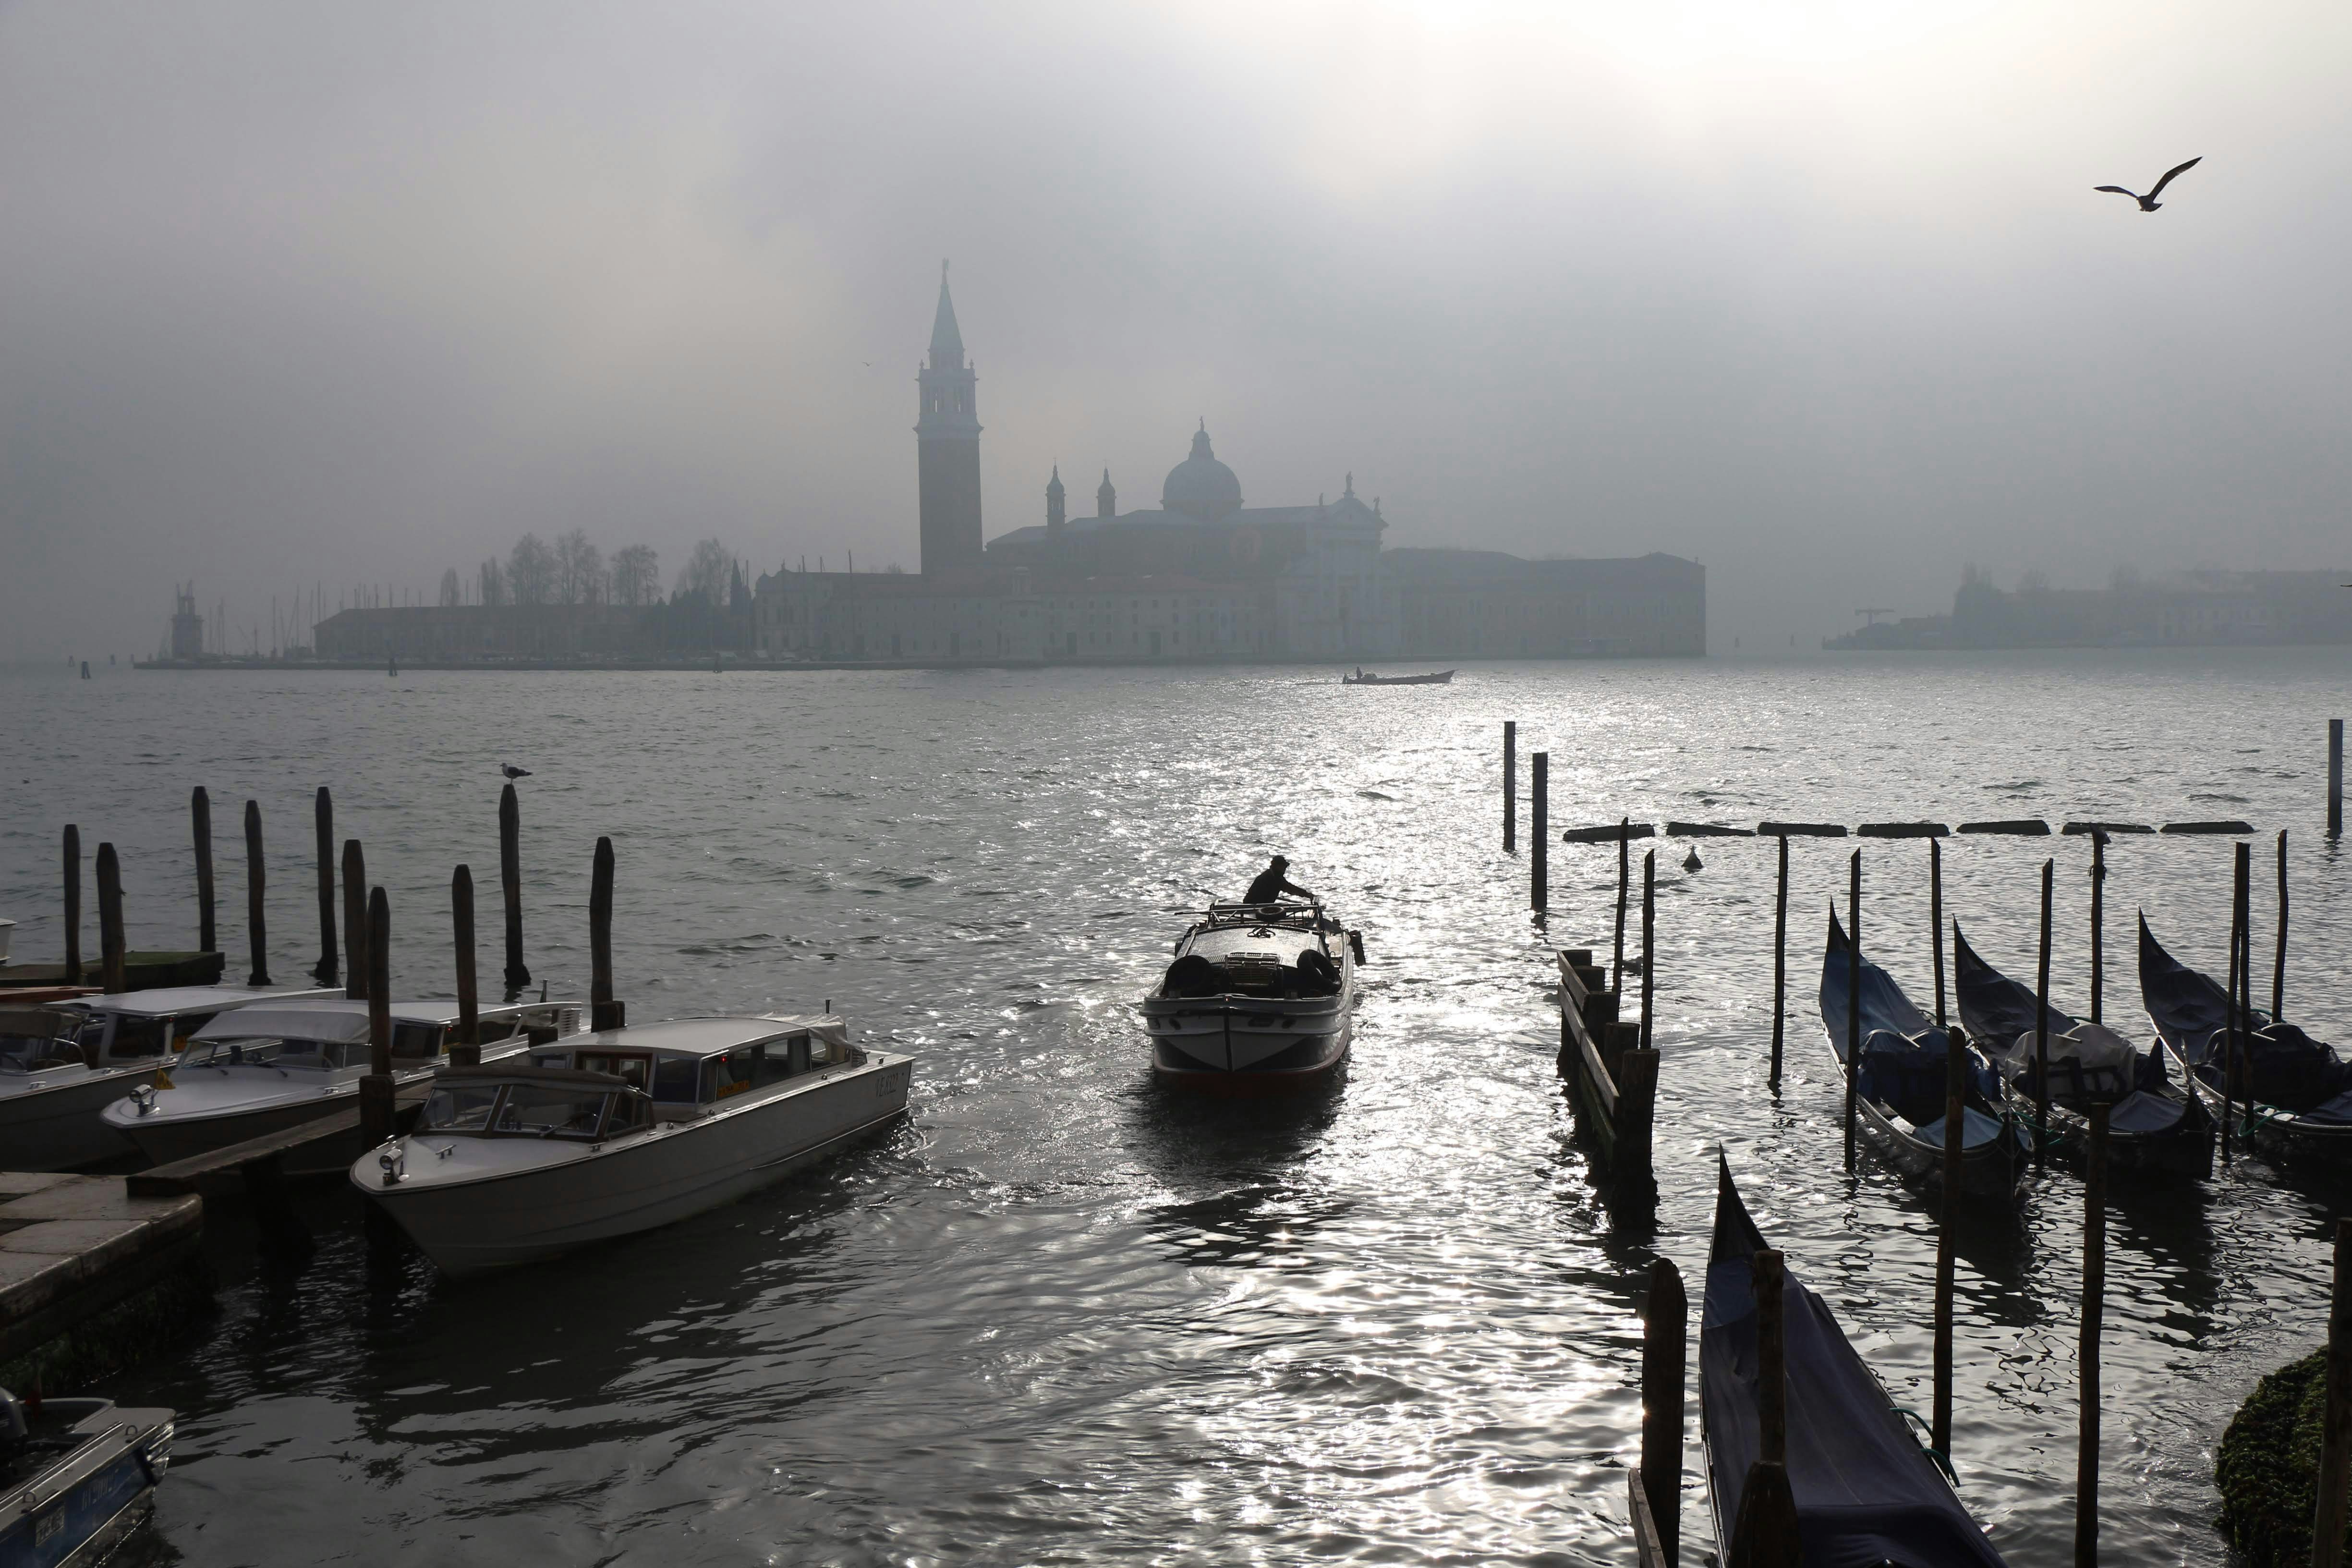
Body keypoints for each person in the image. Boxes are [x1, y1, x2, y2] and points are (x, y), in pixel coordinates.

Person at [1243, 855, 1315, 906]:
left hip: (1259, 906)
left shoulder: (1274, 875)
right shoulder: (1272, 878)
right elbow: (1290, 889)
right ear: (1277, 866)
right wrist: (1307, 895)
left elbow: (1289, 887)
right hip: (1254, 907)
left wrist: (1305, 894)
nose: (1285, 869)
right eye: (1284, 867)